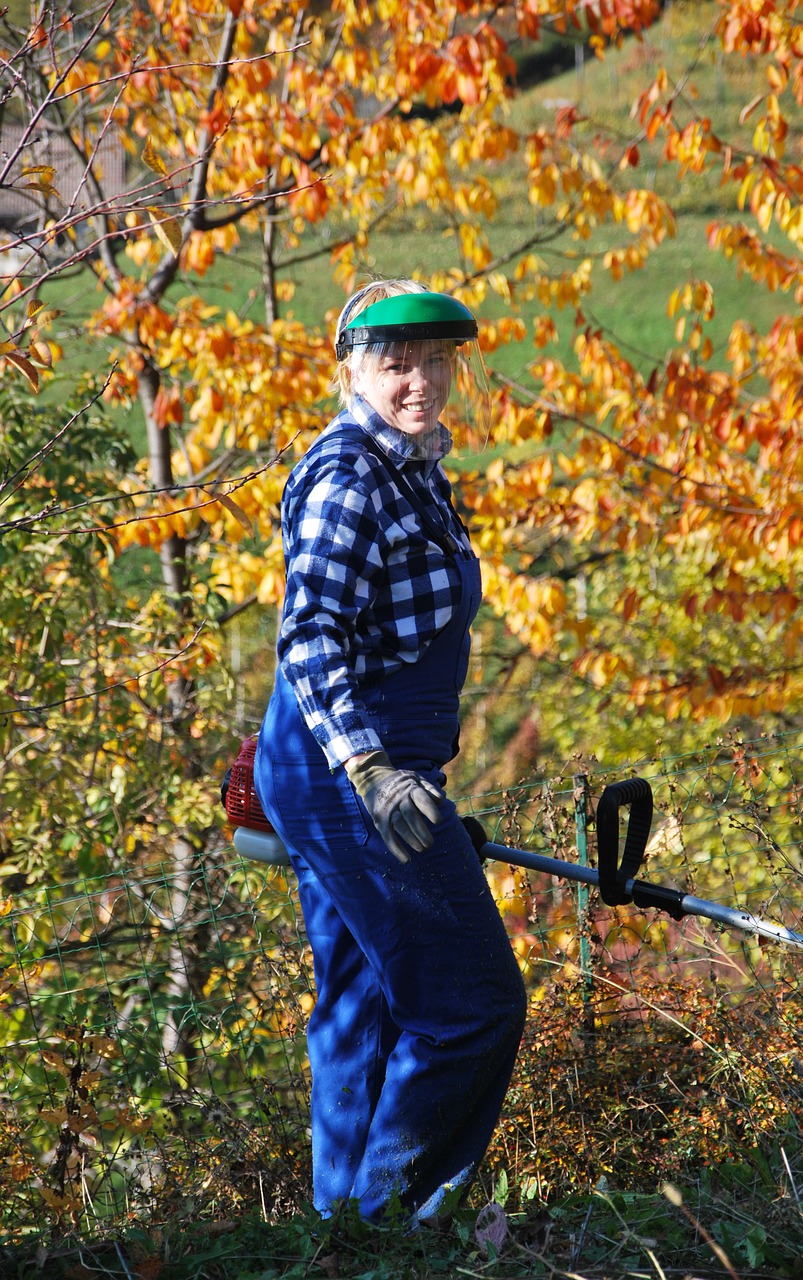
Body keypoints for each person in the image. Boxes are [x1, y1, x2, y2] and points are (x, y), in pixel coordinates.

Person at [253, 279, 527, 1226]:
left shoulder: (407, 467)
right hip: (348, 772)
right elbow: (311, 631)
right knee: (471, 1002)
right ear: (352, 369)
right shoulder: (350, 476)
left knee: (361, 1002)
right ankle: (391, 1226)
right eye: (395, 363)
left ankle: (338, 1233)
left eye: (435, 361)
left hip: (349, 770)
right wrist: (371, 773)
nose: (420, 381)